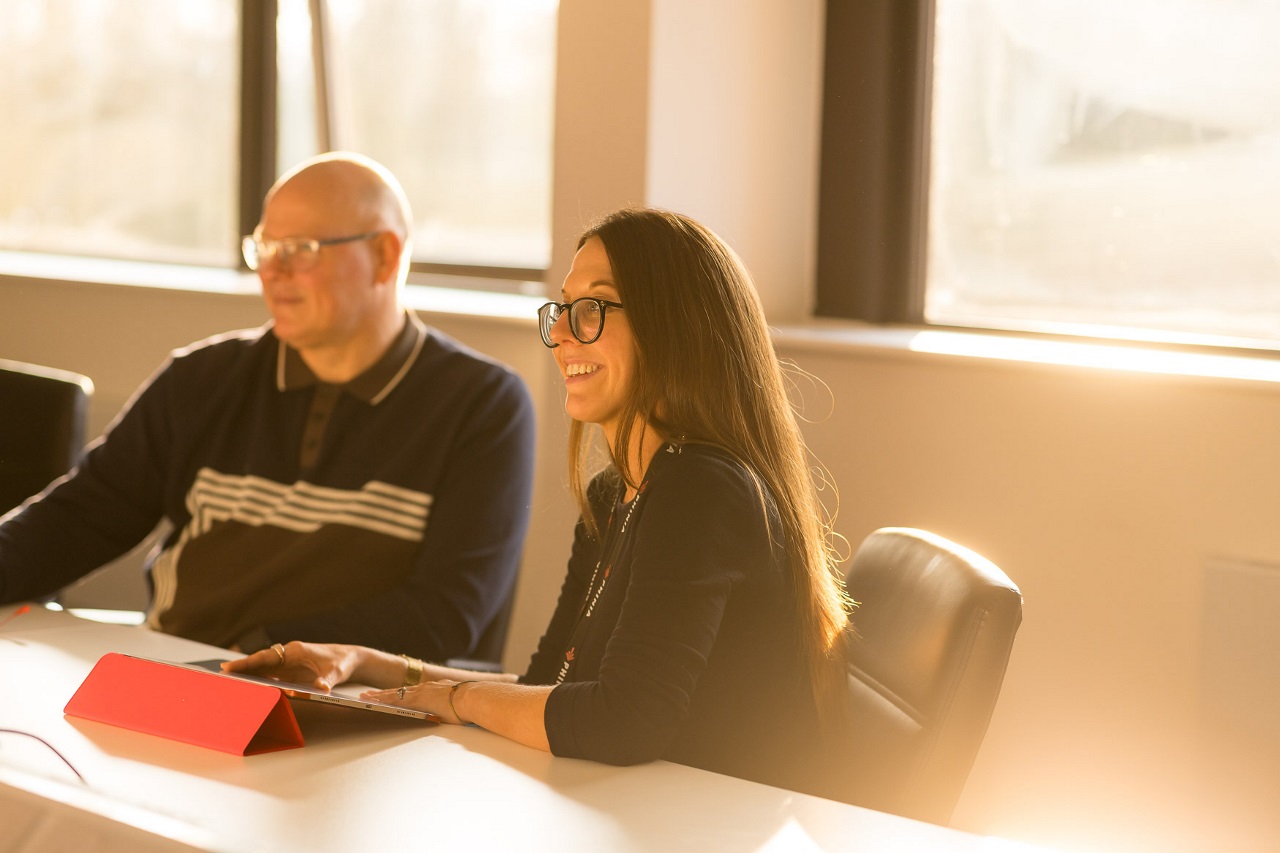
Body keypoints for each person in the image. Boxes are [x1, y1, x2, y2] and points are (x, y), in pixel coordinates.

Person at [226, 207, 853, 797]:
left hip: (706, 826)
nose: (564, 338)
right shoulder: (621, 491)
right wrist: (368, 664)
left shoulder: (701, 487)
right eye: (564, 311)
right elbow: (550, 686)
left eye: (594, 309)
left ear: (678, 327)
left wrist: (452, 699)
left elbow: (624, 719)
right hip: (644, 808)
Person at [0, 152, 536, 663]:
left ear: (384, 256)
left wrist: (267, 655)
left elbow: (446, 613)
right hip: (175, 678)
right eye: (265, 247)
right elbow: (78, 518)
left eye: (300, 249)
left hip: (350, 710)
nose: (272, 272)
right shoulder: (200, 379)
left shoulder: (483, 405)